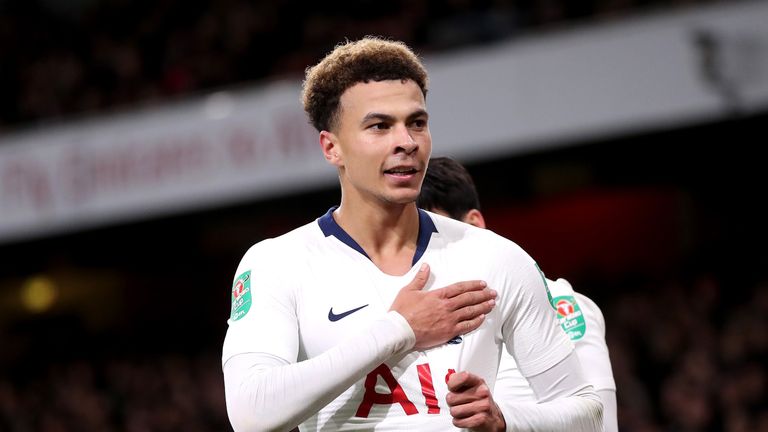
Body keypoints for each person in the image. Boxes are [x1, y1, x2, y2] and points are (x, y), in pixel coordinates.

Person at [222, 36, 602, 431]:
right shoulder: (279, 263)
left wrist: (507, 420)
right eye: (380, 126)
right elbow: (251, 414)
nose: (406, 142)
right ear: (331, 148)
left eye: (416, 123)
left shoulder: (496, 257)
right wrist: (399, 329)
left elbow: (587, 414)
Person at [418, 156, 618, 432]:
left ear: (474, 225)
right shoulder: (413, 326)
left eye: (434, 235)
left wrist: (504, 420)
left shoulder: (560, 304)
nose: (422, 255)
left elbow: (602, 425)